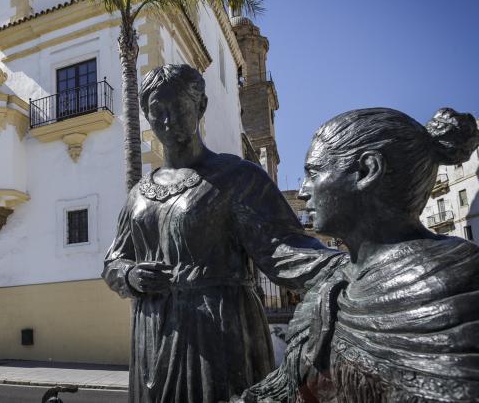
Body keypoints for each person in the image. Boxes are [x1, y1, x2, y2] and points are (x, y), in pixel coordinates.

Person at [102, 64, 342, 403]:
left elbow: (287, 250)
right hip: (152, 334)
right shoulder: (139, 194)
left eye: (178, 107)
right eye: (156, 111)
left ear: (200, 107)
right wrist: (131, 275)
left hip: (218, 329)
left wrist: (354, 266)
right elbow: (114, 261)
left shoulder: (238, 177)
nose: (167, 119)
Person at [239, 107, 479, 402]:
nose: (303, 192)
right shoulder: (333, 285)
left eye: (313, 174)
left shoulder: (447, 288)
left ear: (367, 171)